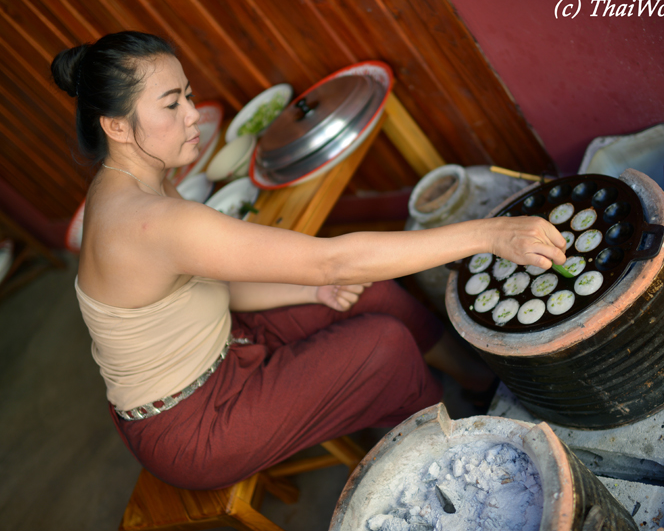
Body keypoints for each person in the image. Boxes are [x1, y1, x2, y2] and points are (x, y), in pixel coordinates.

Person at [52, 31, 566, 490]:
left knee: (372, 293)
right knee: (381, 347)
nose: (193, 115)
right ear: (117, 127)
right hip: (192, 424)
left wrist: (312, 292)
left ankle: (479, 383)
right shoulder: (148, 221)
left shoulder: (136, 182)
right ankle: (453, 471)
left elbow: (226, 285)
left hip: (227, 344)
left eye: (187, 94)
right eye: (171, 105)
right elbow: (334, 262)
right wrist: (490, 234)